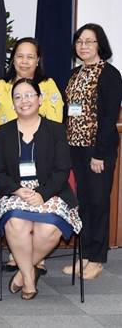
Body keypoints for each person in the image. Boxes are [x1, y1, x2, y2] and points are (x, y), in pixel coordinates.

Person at [0, 79, 81, 300]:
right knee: (16, 223)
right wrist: (17, 190)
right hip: (15, 192)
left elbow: (62, 171)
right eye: (18, 97)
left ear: (40, 99)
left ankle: (23, 273)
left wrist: (42, 193)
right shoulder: (3, 132)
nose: (24, 101)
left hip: (51, 190)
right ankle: (30, 279)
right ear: (12, 104)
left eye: (30, 95)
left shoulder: (56, 130)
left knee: (48, 230)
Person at [62, 23, 122, 280]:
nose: (83, 46)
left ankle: (97, 258)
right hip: (75, 148)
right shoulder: (75, 74)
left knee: (98, 203)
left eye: (89, 41)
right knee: (83, 203)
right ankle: (85, 255)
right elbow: (69, 111)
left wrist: (99, 153)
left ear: (100, 45)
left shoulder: (109, 74)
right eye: (79, 42)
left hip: (98, 150)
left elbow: (109, 118)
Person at [0, 37, 64, 128]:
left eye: (30, 57)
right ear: (13, 60)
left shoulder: (48, 85)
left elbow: (55, 124)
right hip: (6, 141)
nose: (24, 61)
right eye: (20, 56)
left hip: (43, 141)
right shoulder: (0, 87)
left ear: (37, 60)